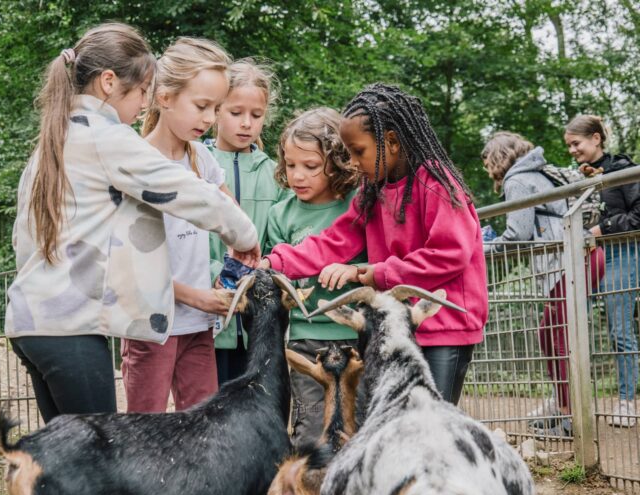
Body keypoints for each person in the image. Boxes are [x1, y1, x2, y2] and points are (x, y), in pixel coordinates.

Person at [4, 24, 259, 423]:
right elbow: (183, 190)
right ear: (108, 82)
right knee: (105, 450)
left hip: (30, 323)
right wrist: (244, 235)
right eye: (141, 91)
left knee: (67, 453)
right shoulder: (109, 138)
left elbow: (22, 239)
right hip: (70, 328)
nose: (144, 102)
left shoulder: (55, 139)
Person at [262, 83, 488, 406]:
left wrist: (378, 274)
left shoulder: (435, 182)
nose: (353, 162)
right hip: (396, 327)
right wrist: (275, 263)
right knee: (395, 417)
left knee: (431, 419)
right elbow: (333, 242)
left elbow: (450, 254)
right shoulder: (373, 191)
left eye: (359, 152)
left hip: (444, 329)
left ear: (391, 142)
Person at [119, 37, 237, 413]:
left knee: (204, 428)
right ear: (165, 97)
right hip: (150, 326)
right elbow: (130, 267)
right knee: (146, 429)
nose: (210, 119)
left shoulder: (203, 158)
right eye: (201, 106)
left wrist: (230, 276)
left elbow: (232, 221)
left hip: (199, 326)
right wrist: (196, 296)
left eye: (216, 108)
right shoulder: (136, 163)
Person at [481, 131, 604, 436]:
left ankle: (570, 418)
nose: (488, 171)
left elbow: (518, 234)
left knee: (558, 337)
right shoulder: (536, 172)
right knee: (550, 334)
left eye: (488, 164)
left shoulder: (517, 180)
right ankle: (562, 406)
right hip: (579, 258)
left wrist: (481, 248)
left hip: (570, 261)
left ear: (497, 158)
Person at [266, 107, 363, 445]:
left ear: (336, 162)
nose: (298, 176)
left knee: (355, 426)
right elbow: (277, 277)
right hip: (304, 339)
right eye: (290, 165)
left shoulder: (355, 205)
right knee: (310, 430)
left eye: (310, 166)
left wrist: (352, 271)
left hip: (354, 337)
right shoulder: (280, 214)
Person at [206, 58, 289, 384]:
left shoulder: (275, 173)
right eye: (236, 112)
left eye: (256, 115)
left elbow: (281, 237)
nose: (246, 124)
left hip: (259, 320)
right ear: (216, 110)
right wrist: (216, 273)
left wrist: (262, 278)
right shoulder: (198, 164)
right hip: (210, 317)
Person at [566, 114, 639, 427]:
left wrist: (601, 229)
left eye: (576, 143)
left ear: (596, 138)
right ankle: (567, 401)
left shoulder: (623, 170)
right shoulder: (579, 175)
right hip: (586, 256)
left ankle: (627, 401)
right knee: (569, 324)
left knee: (619, 329)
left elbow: (638, 216)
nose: (572, 150)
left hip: (620, 253)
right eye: (569, 145)